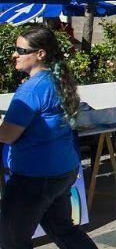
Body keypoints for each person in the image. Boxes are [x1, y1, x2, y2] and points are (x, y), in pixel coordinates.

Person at [0, 27, 97, 248]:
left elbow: (7, 135)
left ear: (40, 54)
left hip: (34, 177)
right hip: (62, 171)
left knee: (11, 240)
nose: (14, 54)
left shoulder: (32, 89)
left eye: (20, 50)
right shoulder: (56, 81)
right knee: (63, 229)